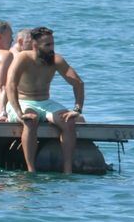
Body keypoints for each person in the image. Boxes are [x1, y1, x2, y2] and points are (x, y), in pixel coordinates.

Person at [5, 26, 84, 174]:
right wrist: (19, 112)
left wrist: (77, 109)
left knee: (69, 121)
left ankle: (67, 169)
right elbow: (10, 85)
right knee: (31, 120)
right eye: (47, 45)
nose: (52, 48)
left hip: (45, 102)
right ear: (35, 46)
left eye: (53, 44)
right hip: (22, 101)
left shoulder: (56, 60)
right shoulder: (23, 58)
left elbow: (78, 83)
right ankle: (31, 170)